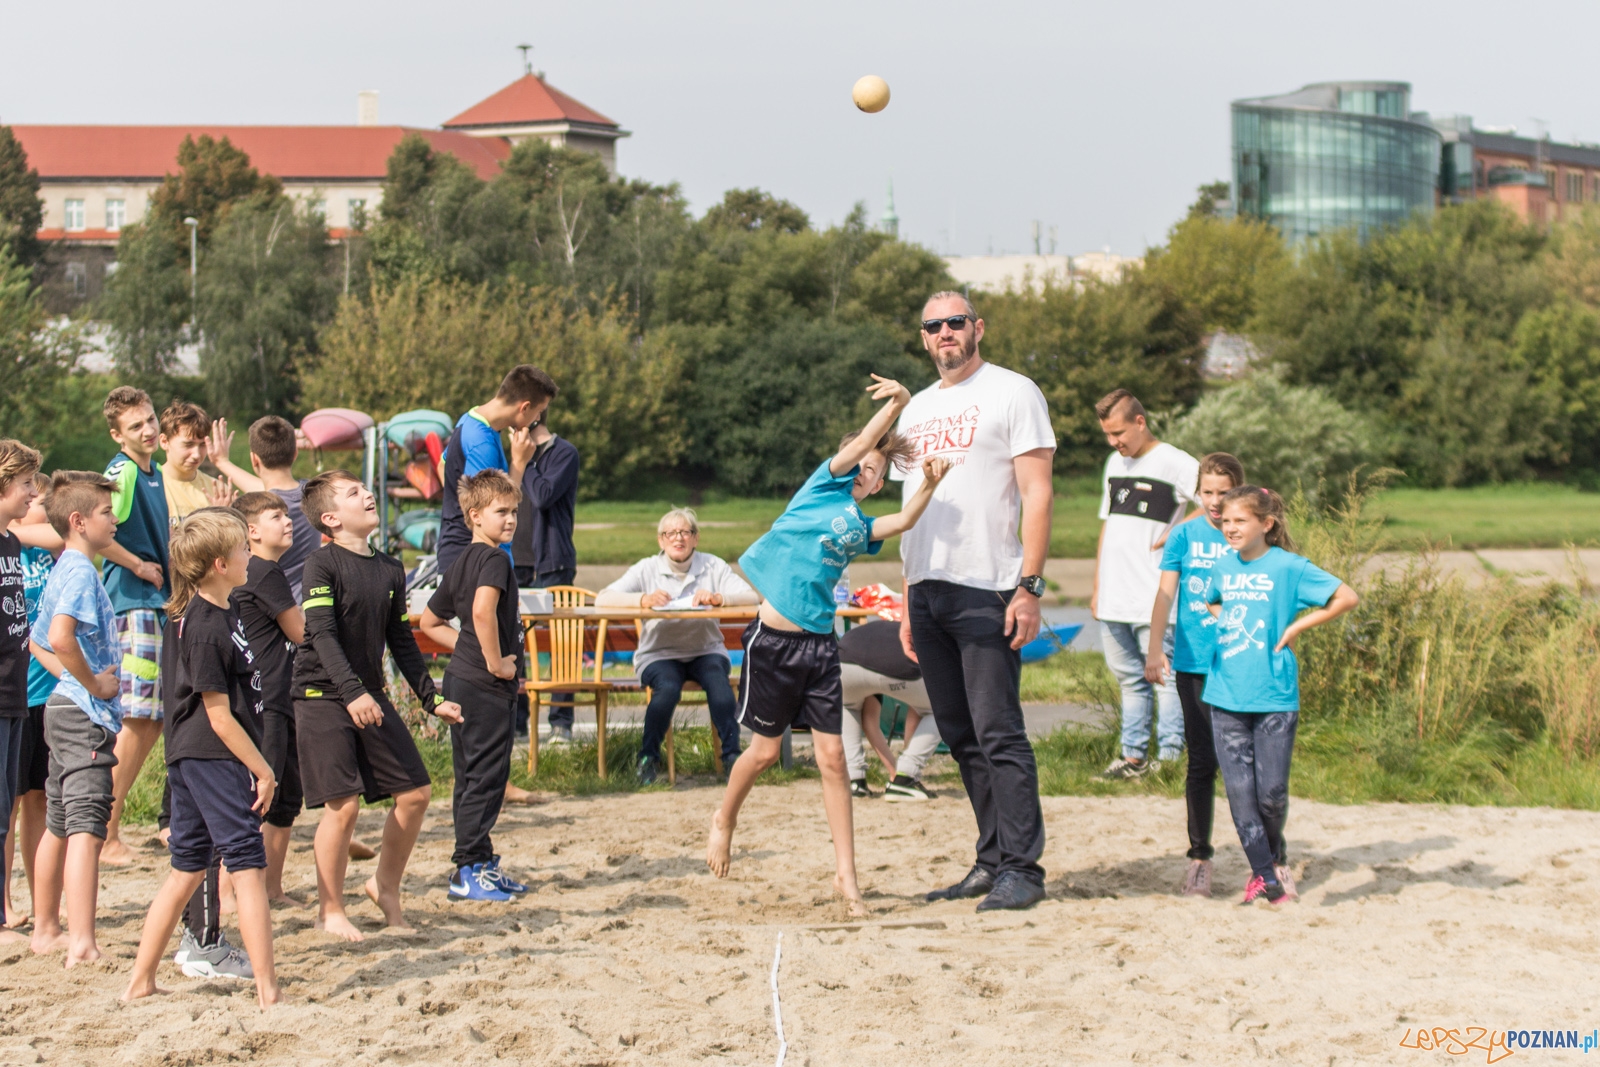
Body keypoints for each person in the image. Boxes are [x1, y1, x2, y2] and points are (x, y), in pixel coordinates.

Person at [707, 372, 951, 917]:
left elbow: (905, 519)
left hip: (820, 648)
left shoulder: (859, 524)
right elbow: (864, 443)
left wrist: (931, 483)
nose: (866, 471)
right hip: (774, 643)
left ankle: (847, 878)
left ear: (878, 483)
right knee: (763, 754)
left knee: (835, 759)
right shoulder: (822, 487)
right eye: (862, 463)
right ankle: (725, 818)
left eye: (876, 471)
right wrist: (899, 403)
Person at [895, 291, 1056, 913]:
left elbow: (1037, 493)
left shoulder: (1013, 391)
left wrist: (1029, 586)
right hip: (927, 587)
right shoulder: (915, 408)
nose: (945, 332)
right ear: (924, 337)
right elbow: (910, 508)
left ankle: (1023, 869)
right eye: (933, 325)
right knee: (960, 735)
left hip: (988, 583)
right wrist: (907, 597)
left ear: (977, 328)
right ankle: (991, 861)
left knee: (999, 733)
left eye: (955, 322)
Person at [291, 471, 462, 940]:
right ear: (330, 518)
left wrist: (431, 698)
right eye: (354, 493)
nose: (368, 494)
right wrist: (352, 693)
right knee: (343, 807)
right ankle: (330, 910)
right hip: (322, 695)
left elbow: (401, 639)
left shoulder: (389, 567)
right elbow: (321, 635)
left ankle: (384, 887)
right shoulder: (320, 565)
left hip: (367, 694)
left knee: (416, 794)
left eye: (365, 489)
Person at [123, 508, 281, 1008]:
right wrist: (262, 768)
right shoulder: (206, 625)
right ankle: (268, 990)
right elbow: (218, 716)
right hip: (211, 756)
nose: (249, 555)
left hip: (196, 756)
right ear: (219, 564)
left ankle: (141, 981)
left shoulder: (221, 608)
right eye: (242, 549)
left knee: (187, 869)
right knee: (247, 864)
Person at [1205, 486, 1358, 905]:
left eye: (1240, 520)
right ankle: (1264, 878)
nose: (1230, 527)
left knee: (1271, 796)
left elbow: (1346, 597)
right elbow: (1212, 601)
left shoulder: (1289, 567)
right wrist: (1227, 622)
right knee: (1240, 794)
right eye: (1225, 520)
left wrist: (1295, 627)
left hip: (1274, 694)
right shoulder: (1222, 567)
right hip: (1225, 692)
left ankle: (1274, 858)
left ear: (1266, 524)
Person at [418, 470, 531, 902]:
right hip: (484, 686)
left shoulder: (463, 559)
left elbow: (431, 622)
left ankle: (480, 862)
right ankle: (467, 870)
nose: (511, 519)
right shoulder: (494, 560)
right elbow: (482, 613)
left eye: (514, 511)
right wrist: (495, 662)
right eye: (501, 511)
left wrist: (471, 648)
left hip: (461, 680)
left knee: (471, 776)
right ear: (475, 515)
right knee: (485, 777)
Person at [27, 471, 123, 965]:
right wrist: (93, 685)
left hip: (63, 706)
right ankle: (82, 941)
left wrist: (70, 680)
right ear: (80, 521)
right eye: (107, 512)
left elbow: (38, 641)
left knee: (61, 822)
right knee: (87, 825)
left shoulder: (65, 565)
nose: (115, 519)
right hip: (82, 712)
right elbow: (60, 638)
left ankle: (46, 929)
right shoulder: (81, 571)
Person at [595, 507, 759, 784]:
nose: (678, 538)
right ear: (661, 540)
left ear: (696, 537)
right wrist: (643, 599)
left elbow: (750, 596)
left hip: (705, 650)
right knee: (667, 689)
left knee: (720, 687)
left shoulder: (713, 566)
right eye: (670, 533)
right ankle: (647, 759)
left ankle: (733, 758)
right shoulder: (647, 568)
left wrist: (719, 598)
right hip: (659, 654)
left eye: (685, 532)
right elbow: (603, 598)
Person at [1143, 453, 1244, 898]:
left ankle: (1269, 858)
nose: (1215, 501)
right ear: (1197, 492)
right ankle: (1200, 859)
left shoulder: (1250, 533)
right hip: (1194, 662)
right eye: (1207, 492)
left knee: (1246, 762)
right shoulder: (1184, 535)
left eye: (1225, 492)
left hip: (1242, 662)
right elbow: (1166, 594)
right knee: (1202, 762)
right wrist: (1155, 648)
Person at [1091, 388, 1200, 780]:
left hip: (1155, 593)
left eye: (1118, 432)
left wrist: (1178, 531)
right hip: (1114, 595)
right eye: (1107, 434)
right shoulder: (1113, 462)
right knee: (1129, 680)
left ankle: (1169, 760)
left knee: (1164, 678)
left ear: (1140, 422)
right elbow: (1108, 526)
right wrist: (1098, 587)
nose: (1113, 441)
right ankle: (1133, 757)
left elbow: (1220, 503)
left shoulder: (1175, 461)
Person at [98, 387, 172, 866]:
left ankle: (109, 824)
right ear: (116, 435)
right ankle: (104, 831)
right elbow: (96, 533)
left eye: (149, 420)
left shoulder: (154, 472)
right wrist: (139, 565)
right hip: (132, 604)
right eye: (135, 426)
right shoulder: (121, 472)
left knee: (154, 718)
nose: (148, 430)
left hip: (154, 604)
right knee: (138, 718)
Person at [230, 492, 305, 905]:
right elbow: (302, 633)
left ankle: (270, 888)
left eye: (287, 514)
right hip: (267, 698)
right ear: (252, 531)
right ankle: (243, 889)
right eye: (276, 516)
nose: (288, 521)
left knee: (286, 796)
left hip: (277, 694)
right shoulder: (262, 571)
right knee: (265, 795)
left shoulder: (259, 569)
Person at [6, 475, 61, 930]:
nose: (36, 501)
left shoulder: (41, 548)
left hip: (46, 691)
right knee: (7, 803)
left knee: (39, 798)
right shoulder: (11, 548)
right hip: (15, 691)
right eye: (39, 496)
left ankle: (42, 900)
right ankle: (4, 901)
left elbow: (62, 534)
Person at [434, 365, 550, 573]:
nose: (538, 419)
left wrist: (455, 506)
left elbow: (442, 465)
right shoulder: (482, 443)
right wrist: (519, 462)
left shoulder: (469, 419)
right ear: (524, 407)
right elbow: (493, 514)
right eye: (538, 412)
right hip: (477, 563)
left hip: (458, 554)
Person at [512, 385, 579, 743]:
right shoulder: (509, 456)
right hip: (516, 562)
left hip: (553, 563)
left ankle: (560, 724)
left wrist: (524, 461)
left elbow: (542, 496)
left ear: (532, 416)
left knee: (562, 645)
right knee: (513, 644)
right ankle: (517, 723)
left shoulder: (563, 453)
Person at [0, 441, 42, 945]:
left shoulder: (11, 541)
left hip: (15, 692)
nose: (33, 492)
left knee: (3, 810)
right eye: (26, 483)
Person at [209, 415, 316, 598]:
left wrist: (221, 519)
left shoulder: (260, 511)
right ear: (295, 453)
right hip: (307, 603)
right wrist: (223, 463)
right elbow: (270, 490)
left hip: (270, 604)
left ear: (254, 460)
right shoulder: (314, 494)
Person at [836, 618, 942, 802]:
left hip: (844, 665)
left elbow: (869, 723)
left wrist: (894, 769)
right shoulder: (920, 638)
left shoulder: (878, 634)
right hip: (898, 665)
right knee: (942, 710)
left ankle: (854, 779)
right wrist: (901, 771)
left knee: (847, 706)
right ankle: (906, 778)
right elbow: (914, 715)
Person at [160, 400, 234, 521]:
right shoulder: (149, 487)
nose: (196, 454)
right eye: (188, 445)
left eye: (202, 445)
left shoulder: (219, 492)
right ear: (164, 442)